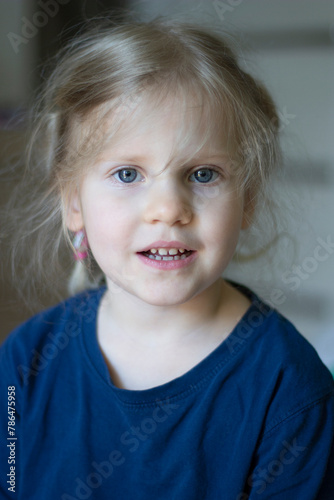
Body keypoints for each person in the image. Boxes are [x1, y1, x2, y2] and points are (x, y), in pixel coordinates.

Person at [0, 17, 333, 500]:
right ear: (74, 203)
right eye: (128, 174)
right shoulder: (23, 364)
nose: (168, 209)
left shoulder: (289, 390)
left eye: (202, 174)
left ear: (249, 198)